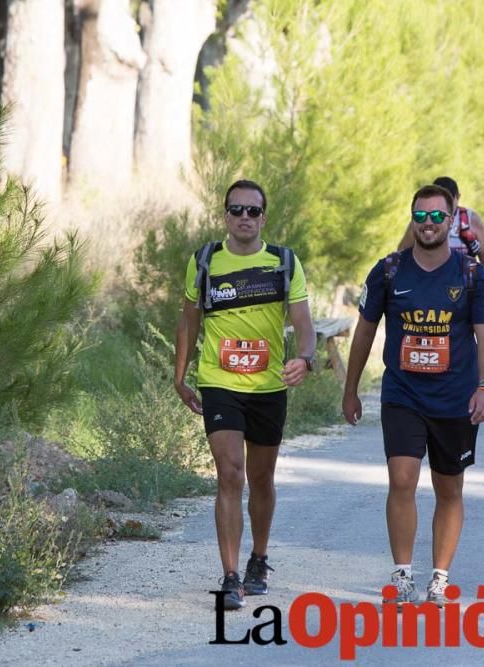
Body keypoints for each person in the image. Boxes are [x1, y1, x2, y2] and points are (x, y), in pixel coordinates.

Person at [343, 184, 484, 608]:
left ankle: (440, 580)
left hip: (455, 400)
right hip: (403, 395)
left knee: (449, 490)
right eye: (420, 216)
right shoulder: (390, 271)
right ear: (412, 220)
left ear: (451, 222)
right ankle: (403, 576)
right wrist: (351, 389)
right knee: (402, 479)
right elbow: (365, 333)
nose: (428, 224)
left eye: (436, 217)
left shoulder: (471, 274)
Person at [174, 179, 316, 611]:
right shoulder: (204, 261)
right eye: (236, 210)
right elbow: (188, 321)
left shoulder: (284, 263)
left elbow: (304, 324)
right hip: (220, 381)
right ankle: (231, 575)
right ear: (225, 216)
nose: (244, 218)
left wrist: (306, 358)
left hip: (269, 386)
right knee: (230, 473)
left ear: (264, 218)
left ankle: (258, 558)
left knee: (261, 479)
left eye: (253, 211)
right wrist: (181, 375)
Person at [397, 176, 484, 312]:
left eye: (449, 202)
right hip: (428, 290)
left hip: (464, 292)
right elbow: (402, 253)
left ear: (457, 197)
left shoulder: (471, 220)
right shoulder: (421, 222)